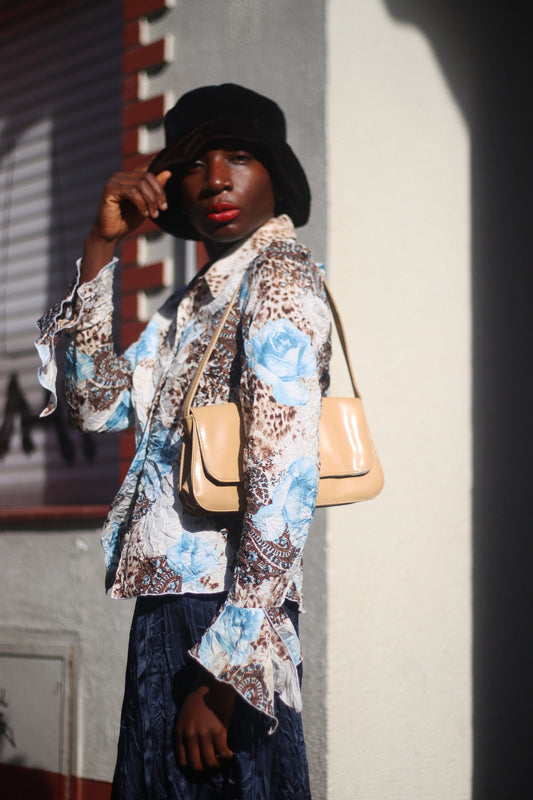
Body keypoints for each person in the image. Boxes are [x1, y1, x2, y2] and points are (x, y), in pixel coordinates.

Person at [36, 83, 331, 799]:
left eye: (239, 157)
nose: (216, 180)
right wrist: (102, 242)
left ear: (274, 175)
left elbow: (283, 484)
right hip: (174, 610)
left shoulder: (279, 279)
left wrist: (222, 675)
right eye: (196, 164)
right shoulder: (197, 300)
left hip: (223, 615)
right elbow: (96, 404)